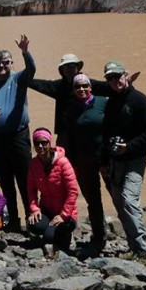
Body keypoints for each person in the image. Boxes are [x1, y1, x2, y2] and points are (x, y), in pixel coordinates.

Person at [101, 60, 146, 260]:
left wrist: (130, 146)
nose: (114, 81)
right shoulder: (111, 103)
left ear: (126, 75)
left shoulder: (140, 101)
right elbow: (106, 132)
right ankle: (133, 246)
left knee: (129, 199)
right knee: (119, 202)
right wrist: (105, 160)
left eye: (117, 76)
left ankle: (142, 249)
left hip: (135, 159)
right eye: (110, 78)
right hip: (115, 161)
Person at [27, 52, 139, 153]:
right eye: (66, 67)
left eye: (72, 66)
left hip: (87, 132)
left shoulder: (88, 83)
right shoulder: (59, 87)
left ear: (77, 67)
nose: (69, 69)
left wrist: (126, 83)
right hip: (65, 133)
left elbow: (110, 88)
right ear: (62, 70)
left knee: (92, 166)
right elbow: (39, 84)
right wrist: (20, 79)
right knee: (63, 165)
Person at [0, 34, 35, 232]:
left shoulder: (19, 78)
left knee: (25, 179)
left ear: (11, 63)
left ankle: (32, 218)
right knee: (5, 181)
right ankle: (13, 219)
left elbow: (32, 69)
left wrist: (25, 52)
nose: (1, 66)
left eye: (5, 63)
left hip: (18, 137)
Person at [65, 73, 108, 257]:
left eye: (85, 86)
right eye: (77, 87)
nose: (81, 89)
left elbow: (113, 127)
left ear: (91, 87)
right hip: (83, 162)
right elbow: (70, 138)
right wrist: (72, 163)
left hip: (106, 159)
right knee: (93, 202)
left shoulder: (103, 102)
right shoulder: (72, 108)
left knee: (119, 197)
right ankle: (99, 238)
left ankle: (134, 239)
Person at [27, 127, 79, 252]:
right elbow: (31, 189)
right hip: (47, 210)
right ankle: (53, 232)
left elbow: (73, 191)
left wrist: (63, 215)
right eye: (37, 143)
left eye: (44, 142)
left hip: (66, 213)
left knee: (49, 237)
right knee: (33, 225)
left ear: (50, 143)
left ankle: (64, 234)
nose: (40, 146)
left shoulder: (63, 163)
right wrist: (35, 209)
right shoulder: (34, 164)